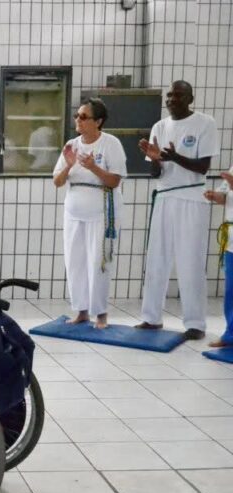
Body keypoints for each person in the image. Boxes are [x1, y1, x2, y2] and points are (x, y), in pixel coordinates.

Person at [137, 81, 219, 340]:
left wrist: (174, 157)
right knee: (156, 258)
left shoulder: (205, 123)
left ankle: (195, 323)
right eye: (170, 95)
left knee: (190, 260)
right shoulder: (159, 127)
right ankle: (151, 318)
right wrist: (157, 159)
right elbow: (154, 172)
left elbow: (203, 167)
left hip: (191, 197)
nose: (172, 99)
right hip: (164, 197)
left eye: (178, 95)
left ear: (190, 98)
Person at [53, 98, 127, 329]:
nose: (78, 120)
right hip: (74, 211)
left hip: (101, 212)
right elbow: (57, 181)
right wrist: (69, 164)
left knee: (99, 262)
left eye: (83, 117)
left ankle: (101, 313)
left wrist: (93, 167)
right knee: (74, 261)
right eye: (77, 116)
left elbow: (115, 180)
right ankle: (81, 310)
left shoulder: (110, 144)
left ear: (98, 121)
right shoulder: (71, 145)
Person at [204, 170, 233, 348]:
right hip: (231, 239)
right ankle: (230, 335)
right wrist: (215, 196)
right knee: (231, 289)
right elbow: (225, 197)